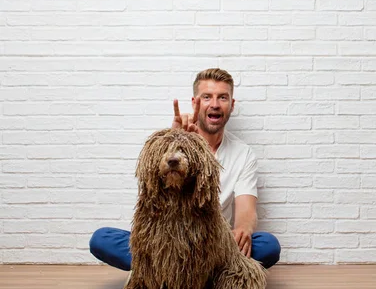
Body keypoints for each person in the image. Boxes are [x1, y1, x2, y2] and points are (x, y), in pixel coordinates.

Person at [89, 68, 281, 270]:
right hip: (166, 242)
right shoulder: (169, 145)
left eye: (222, 97)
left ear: (231, 105)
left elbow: (246, 209)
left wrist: (243, 229)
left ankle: (168, 277)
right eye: (207, 97)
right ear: (195, 102)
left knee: (267, 245)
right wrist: (174, 138)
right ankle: (194, 277)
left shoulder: (243, 154)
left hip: (212, 244)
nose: (214, 104)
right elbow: (153, 194)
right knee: (102, 239)